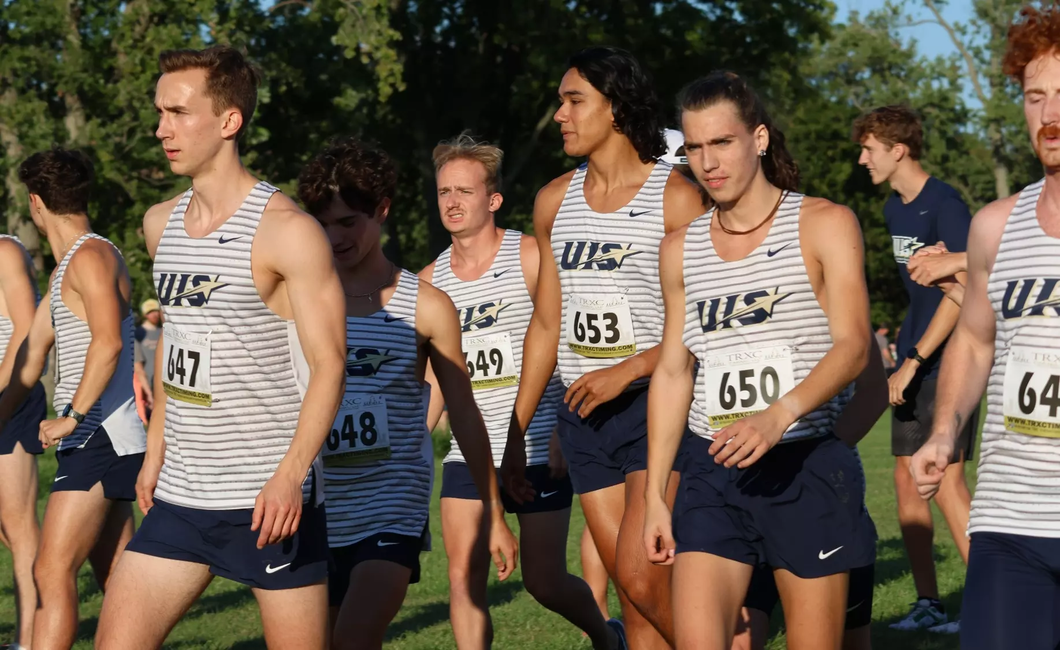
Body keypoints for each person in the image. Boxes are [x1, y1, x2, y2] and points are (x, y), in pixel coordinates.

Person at [94, 46, 348, 650]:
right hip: (181, 498)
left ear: (229, 121)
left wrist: (290, 476)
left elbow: (330, 365)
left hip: (268, 502)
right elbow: (180, 349)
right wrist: (155, 450)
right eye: (160, 112)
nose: (162, 129)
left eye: (179, 112)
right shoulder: (161, 224)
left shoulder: (287, 231)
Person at [643, 71, 877, 650]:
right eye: (694, 148)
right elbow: (674, 371)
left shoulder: (824, 223)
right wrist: (653, 493)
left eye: (721, 142)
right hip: (711, 471)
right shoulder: (680, 249)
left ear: (761, 139)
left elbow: (853, 346)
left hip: (804, 469)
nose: (708, 161)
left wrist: (777, 416)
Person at [499, 46, 704, 649]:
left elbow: (698, 321)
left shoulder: (675, 197)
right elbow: (546, 324)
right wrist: (518, 430)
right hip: (584, 415)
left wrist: (630, 370)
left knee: (645, 572)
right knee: (632, 596)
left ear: (616, 109)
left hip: (655, 407)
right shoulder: (552, 201)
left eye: (573, 101)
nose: (559, 114)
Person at [297, 136, 518, 650]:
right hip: (314, 508)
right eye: (322, 223)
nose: (334, 237)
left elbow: (463, 414)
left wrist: (493, 510)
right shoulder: (294, 298)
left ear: (382, 210)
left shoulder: (427, 306)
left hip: (390, 505)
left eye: (348, 221)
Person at [421, 134, 622, 650]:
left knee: (543, 581)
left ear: (493, 200)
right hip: (470, 453)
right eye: (444, 191)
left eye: (464, 191)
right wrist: (411, 443)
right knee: (465, 583)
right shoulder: (429, 282)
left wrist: (562, 426)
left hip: (536, 446)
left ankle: (606, 635)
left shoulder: (531, 256)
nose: (452, 202)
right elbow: (433, 384)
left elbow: (567, 339)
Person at [912, 6, 1060, 649]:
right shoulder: (996, 226)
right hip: (1009, 520)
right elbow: (974, 339)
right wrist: (944, 433)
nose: (1049, 112)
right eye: (1036, 96)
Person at [0, 147, 145, 650]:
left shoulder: (91, 256)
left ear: (36, 204)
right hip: (95, 438)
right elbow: (28, 363)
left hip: (101, 434)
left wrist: (71, 416)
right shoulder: (68, 268)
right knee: (120, 579)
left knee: (50, 569)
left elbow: (108, 342)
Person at [854, 105, 979, 632]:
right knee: (907, 483)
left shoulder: (945, 204)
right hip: (912, 358)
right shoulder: (892, 210)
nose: (862, 160)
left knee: (946, 481)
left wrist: (913, 361)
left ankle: (992, 599)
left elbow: (965, 292)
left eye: (869, 149)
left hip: (946, 360)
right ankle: (928, 604)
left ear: (897, 148)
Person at [735, 336, 889, 650]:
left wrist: (827, 449)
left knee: (848, 639)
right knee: (738, 638)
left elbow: (874, 390)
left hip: (820, 493)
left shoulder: (835, 299)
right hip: (738, 491)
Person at [0, 231, 46, 650]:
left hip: (11, 398)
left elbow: (26, 329)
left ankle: (29, 639)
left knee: (18, 526)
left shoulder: (5, 250)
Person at [133, 299, 162, 419]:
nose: (154, 314)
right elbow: (138, 367)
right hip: (148, 384)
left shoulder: (163, 331)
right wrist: (148, 393)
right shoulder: (138, 334)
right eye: (150, 312)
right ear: (144, 314)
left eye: (156, 311)